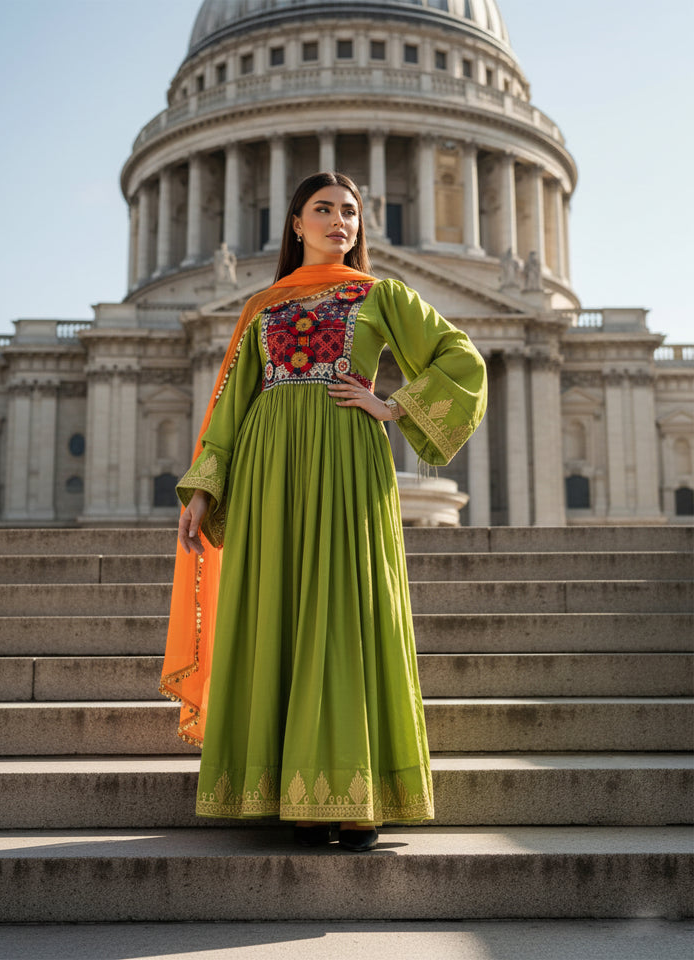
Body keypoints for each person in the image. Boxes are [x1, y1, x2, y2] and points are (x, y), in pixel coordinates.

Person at [160, 171, 487, 852]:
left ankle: (355, 797)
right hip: (267, 472)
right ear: (295, 222)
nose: (341, 221)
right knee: (279, 612)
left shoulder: (380, 295)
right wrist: (202, 487)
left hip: (346, 462)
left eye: (351, 211)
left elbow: (462, 359)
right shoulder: (260, 308)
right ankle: (295, 799)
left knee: (346, 613)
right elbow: (230, 403)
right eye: (324, 209)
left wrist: (393, 405)